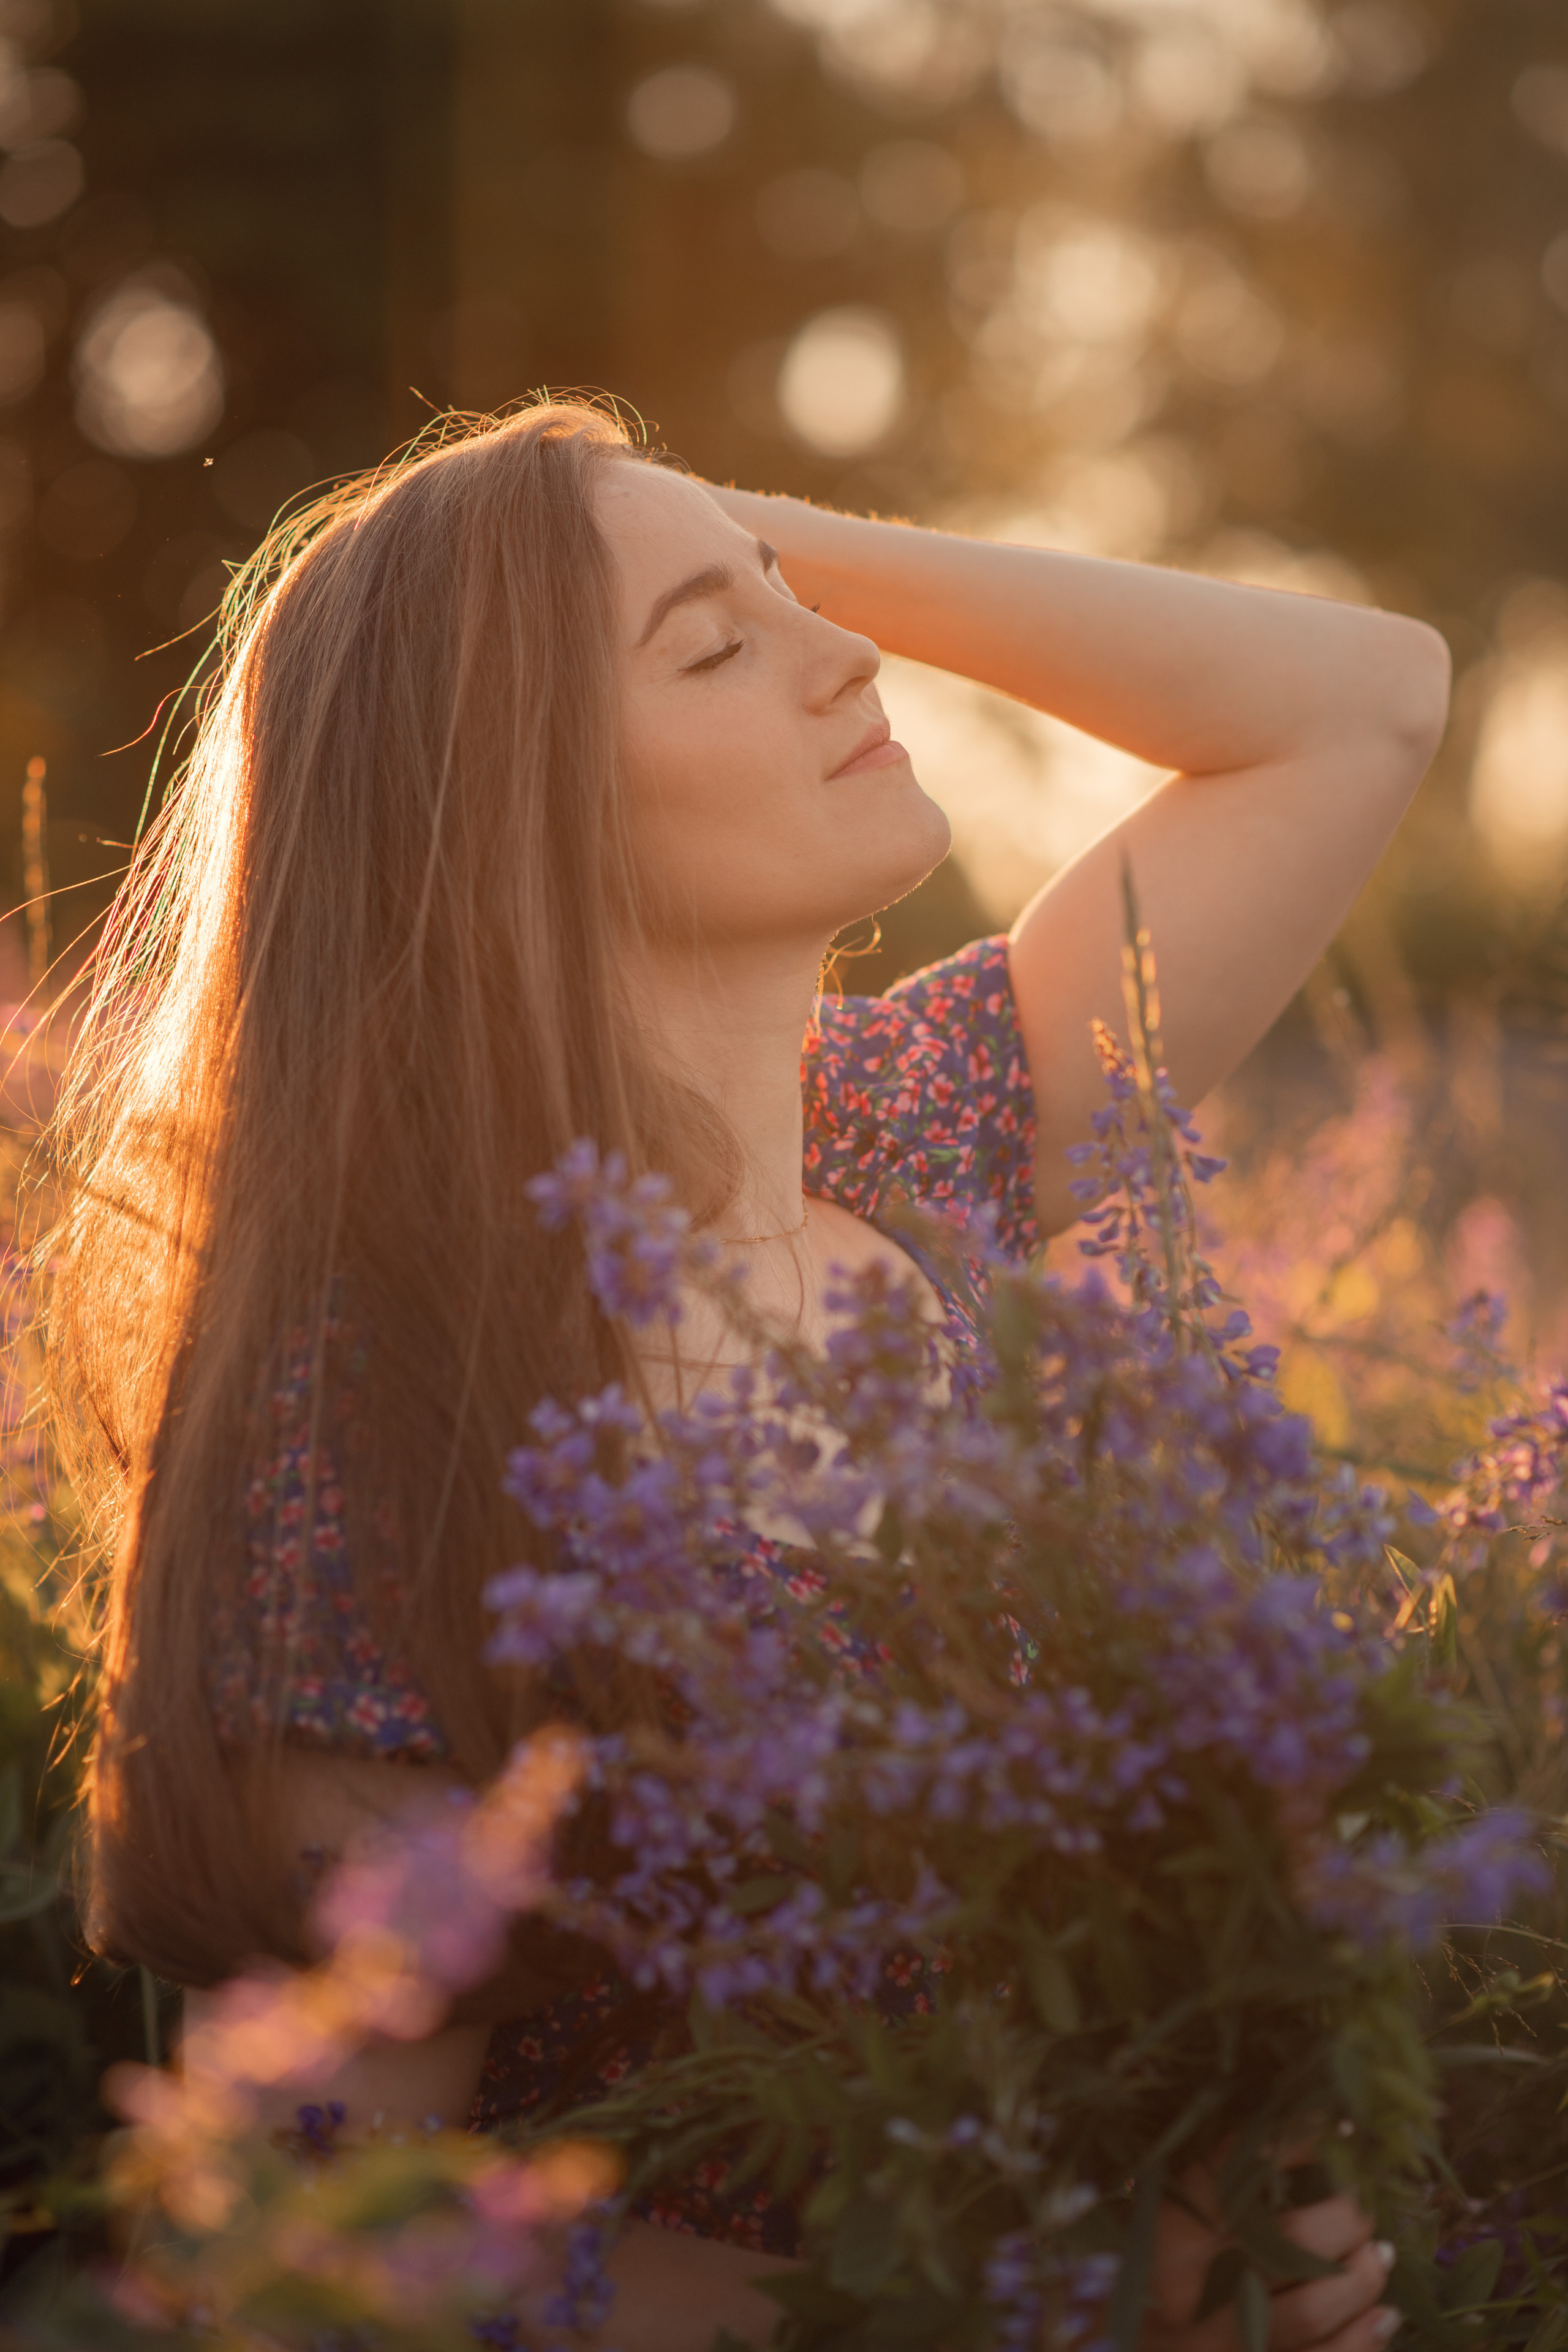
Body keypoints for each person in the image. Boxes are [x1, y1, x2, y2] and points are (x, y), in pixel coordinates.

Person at [51, 399, 1447, 2350]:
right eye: (716, 648)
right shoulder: (389, 1422)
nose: (850, 652)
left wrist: (693, 524)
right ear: (517, 813)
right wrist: (1030, 2308)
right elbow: (314, 2239)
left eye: (798, 597)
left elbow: (1364, 698)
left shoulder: (908, 1144)